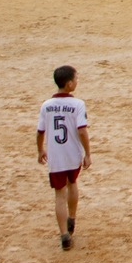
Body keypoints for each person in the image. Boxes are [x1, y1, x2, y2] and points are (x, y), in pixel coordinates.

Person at [37, 65, 91, 252]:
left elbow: (40, 132)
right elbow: (82, 131)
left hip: (56, 156)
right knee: (72, 183)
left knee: (59, 194)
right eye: (76, 79)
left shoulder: (46, 106)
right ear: (69, 84)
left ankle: (64, 235)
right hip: (72, 153)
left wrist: (40, 150)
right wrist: (88, 153)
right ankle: (72, 218)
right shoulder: (77, 104)